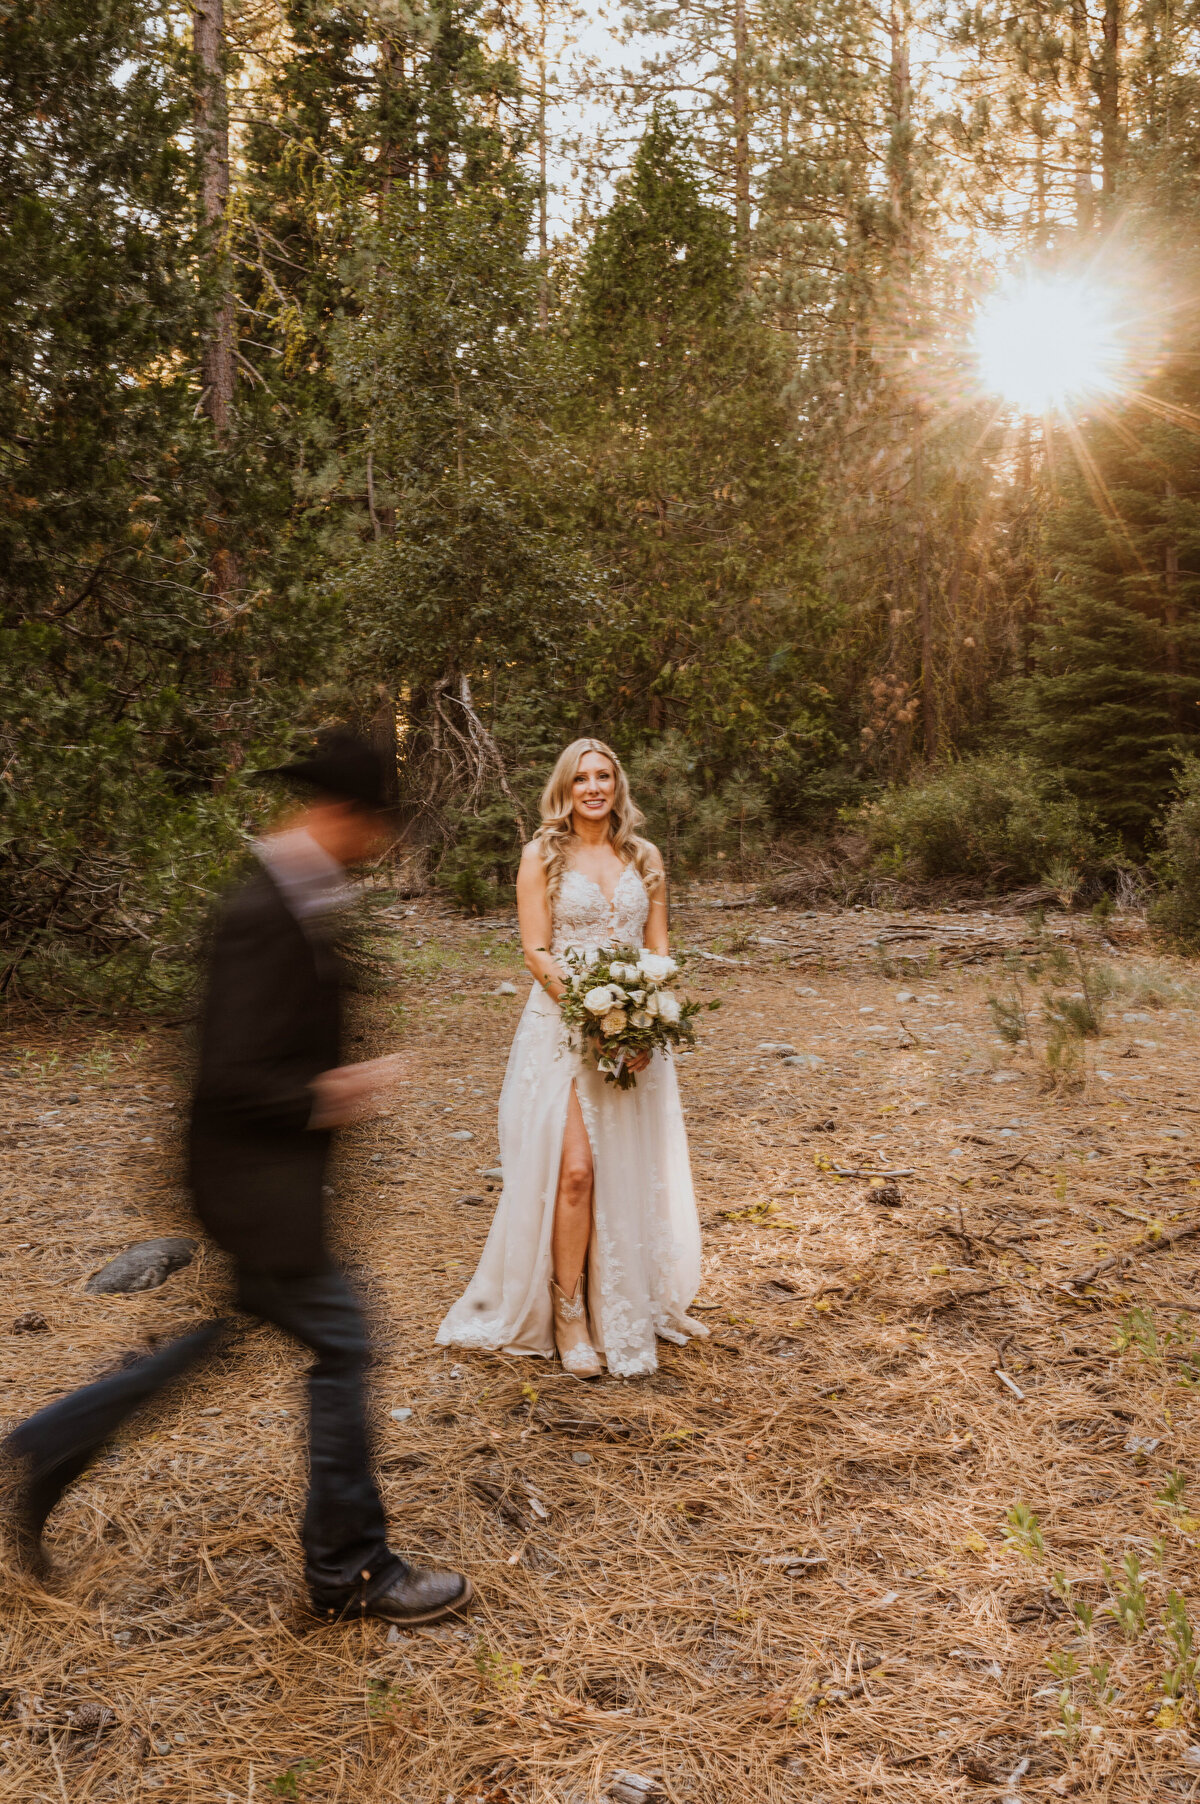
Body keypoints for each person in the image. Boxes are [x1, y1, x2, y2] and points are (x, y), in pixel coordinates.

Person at [2, 732, 472, 1627]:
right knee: (342, 1346)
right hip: (255, 1190)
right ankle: (351, 1570)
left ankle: (41, 1447)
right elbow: (226, 1075)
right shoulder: (264, 909)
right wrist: (328, 1094)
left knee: (224, 1340)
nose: (377, 847)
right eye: (373, 827)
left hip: (264, 1187)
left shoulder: (300, 892)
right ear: (339, 816)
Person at [436, 737, 709, 1379]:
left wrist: (646, 1024)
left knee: (625, 1168)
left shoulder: (645, 856)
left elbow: (659, 948)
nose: (594, 787)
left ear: (618, 785)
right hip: (561, 1027)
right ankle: (567, 1314)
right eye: (582, 777)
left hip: (635, 1028)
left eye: (604, 777)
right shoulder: (542, 855)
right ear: (565, 786)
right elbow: (536, 951)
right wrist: (591, 1019)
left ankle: (621, 1300)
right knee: (577, 1171)